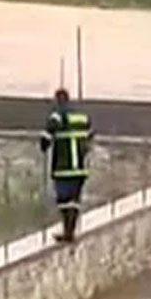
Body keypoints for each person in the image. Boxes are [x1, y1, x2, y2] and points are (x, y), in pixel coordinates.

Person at [40, 88, 93, 242]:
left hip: (63, 167)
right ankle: (70, 231)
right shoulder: (81, 117)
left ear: (57, 100)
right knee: (74, 201)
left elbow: (47, 135)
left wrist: (44, 145)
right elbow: (90, 135)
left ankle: (67, 231)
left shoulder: (58, 116)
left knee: (64, 201)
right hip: (80, 168)